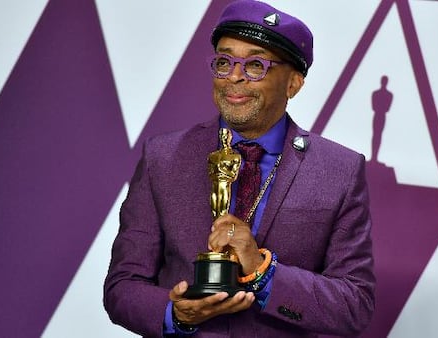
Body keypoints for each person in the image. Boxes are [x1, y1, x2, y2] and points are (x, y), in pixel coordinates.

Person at [103, 1, 375, 337]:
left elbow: (355, 304)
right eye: (224, 61)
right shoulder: (163, 156)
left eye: (255, 65)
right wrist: (176, 314)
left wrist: (264, 271)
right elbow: (122, 286)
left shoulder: (339, 170)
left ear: (293, 84)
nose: (233, 76)